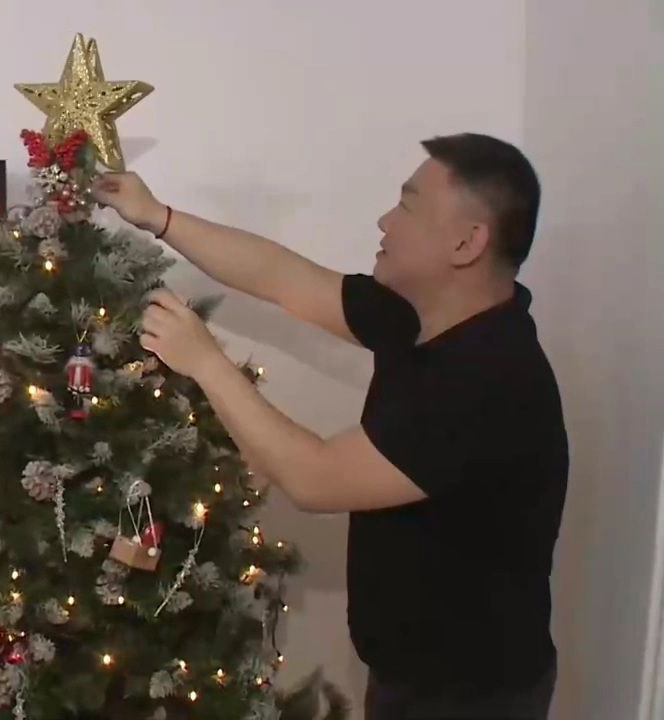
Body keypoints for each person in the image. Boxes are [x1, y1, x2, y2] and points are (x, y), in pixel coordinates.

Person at [93, 133, 567, 720]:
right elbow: (281, 278)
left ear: (467, 242)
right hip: (412, 676)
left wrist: (205, 362)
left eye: (408, 206)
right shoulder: (421, 318)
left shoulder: (488, 380)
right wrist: (157, 216)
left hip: (471, 696)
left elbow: (316, 479)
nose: (385, 221)